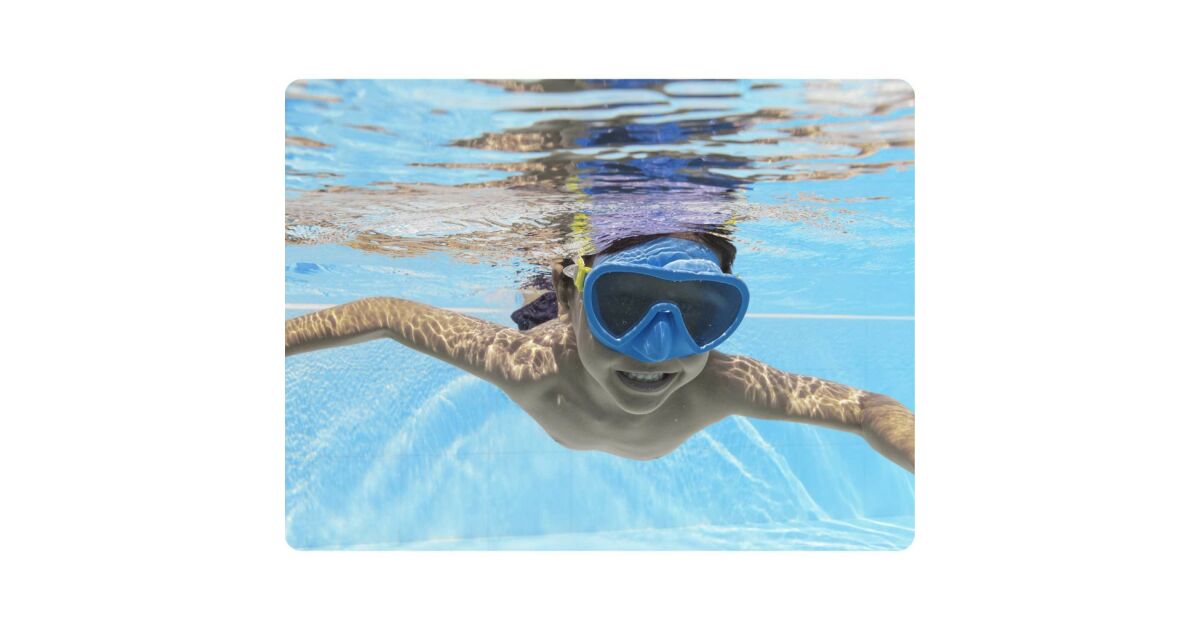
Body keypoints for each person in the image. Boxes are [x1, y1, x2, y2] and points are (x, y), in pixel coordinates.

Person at [285, 232, 914, 472]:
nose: (657, 350)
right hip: (554, 315)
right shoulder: (526, 363)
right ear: (574, 299)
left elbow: (868, 409)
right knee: (541, 292)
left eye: (699, 313)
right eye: (624, 306)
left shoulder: (722, 381)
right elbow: (386, 314)